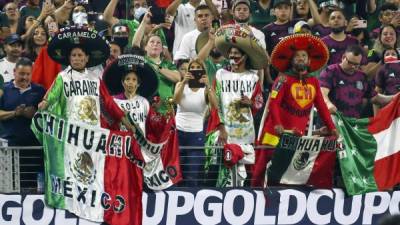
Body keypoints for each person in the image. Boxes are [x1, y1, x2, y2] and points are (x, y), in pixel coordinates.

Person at [253, 34, 338, 187]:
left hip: (296, 136)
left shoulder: (314, 81)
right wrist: (278, 124)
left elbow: (322, 107)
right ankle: (255, 193)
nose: (300, 58)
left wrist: (331, 127)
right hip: (274, 133)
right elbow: (274, 103)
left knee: (288, 171)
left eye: (304, 55)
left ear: (309, 60)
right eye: (297, 56)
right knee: (261, 167)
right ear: (291, 60)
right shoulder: (283, 79)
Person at [38, 25, 134, 130]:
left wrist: (125, 121)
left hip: (93, 130)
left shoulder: (95, 78)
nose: (76, 59)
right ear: (69, 58)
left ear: (87, 58)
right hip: (71, 131)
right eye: (73, 55)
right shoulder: (63, 76)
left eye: (80, 55)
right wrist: (45, 103)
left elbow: (108, 102)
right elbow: (52, 95)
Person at [206, 25, 266, 187]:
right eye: (230, 54)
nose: (232, 57)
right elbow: (214, 102)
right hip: (224, 131)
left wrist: (251, 103)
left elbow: (260, 102)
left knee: (245, 173)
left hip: (246, 132)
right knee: (221, 171)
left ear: (244, 57)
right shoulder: (220, 75)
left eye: (236, 54)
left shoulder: (253, 78)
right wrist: (220, 127)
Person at [0, 57, 45, 189]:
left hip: (32, 148)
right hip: (8, 148)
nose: (24, 77)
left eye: (27, 74)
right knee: (8, 186)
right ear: (14, 72)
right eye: (21, 74)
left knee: (30, 186)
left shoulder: (40, 91)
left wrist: (36, 113)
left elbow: (48, 115)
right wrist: (15, 113)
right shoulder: (4, 90)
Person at [174, 59, 217, 186]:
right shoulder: (180, 85)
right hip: (178, 132)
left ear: (203, 71)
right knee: (176, 170)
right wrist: (183, 82)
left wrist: (208, 85)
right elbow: (176, 100)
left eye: (198, 67)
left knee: (192, 172)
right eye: (192, 67)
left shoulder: (205, 89)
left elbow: (215, 106)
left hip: (196, 134)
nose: (195, 70)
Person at [320, 44, 395, 118]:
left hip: (352, 123)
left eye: (356, 64)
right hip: (332, 120)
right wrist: (328, 104)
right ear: (343, 57)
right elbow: (323, 93)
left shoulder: (361, 76)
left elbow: (375, 98)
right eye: (350, 62)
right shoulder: (330, 71)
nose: (352, 67)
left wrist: (395, 97)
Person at [103, 50, 159, 135]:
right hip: (121, 142)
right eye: (127, 79)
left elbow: (151, 124)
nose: (130, 82)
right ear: (122, 82)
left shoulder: (144, 102)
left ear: (138, 83)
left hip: (140, 144)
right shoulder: (113, 101)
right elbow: (108, 123)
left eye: (134, 80)